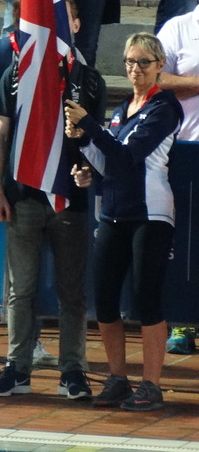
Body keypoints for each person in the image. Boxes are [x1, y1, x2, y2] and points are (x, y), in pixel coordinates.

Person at [0, 0, 105, 401]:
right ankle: (17, 368)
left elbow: (98, 141)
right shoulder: (17, 73)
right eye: (47, 19)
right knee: (20, 290)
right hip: (23, 197)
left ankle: (72, 370)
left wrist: (88, 169)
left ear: (76, 24)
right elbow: (0, 132)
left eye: (63, 20)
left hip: (70, 200)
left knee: (72, 291)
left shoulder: (89, 79)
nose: (54, 28)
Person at [66, 33, 183, 411]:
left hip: (150, 213)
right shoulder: (121, 109)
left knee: (146, 299)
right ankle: (117, 378)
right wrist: (85, 154)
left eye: (144, 63)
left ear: (159, 65)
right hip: (113, 213)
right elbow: (108, 162)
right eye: (130, 62)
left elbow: (128, 157)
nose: (135, 69)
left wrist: (89, 125)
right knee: (104, 300)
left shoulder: (164, 107)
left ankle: (151, 384)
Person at [156, 0, 199, 354]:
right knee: (185, 244)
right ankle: (183, 322)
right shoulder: (178, 28)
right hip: (185, 151)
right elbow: (157, 79)